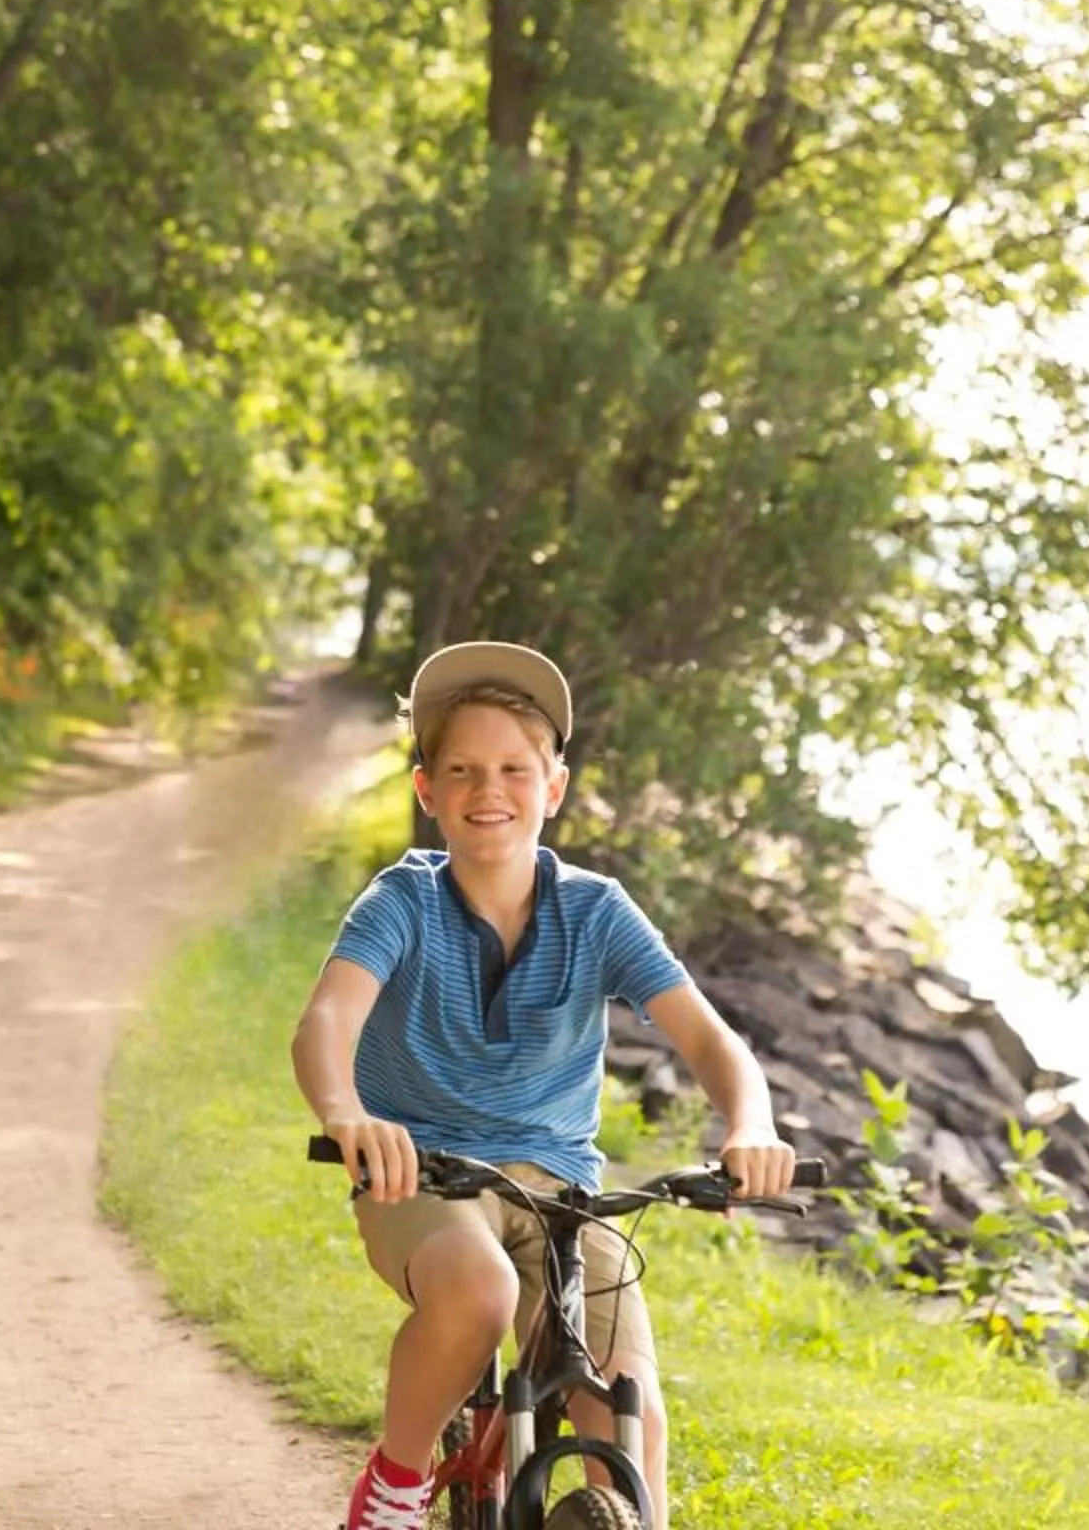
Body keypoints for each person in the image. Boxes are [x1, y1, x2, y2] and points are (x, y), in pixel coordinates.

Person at [291, 641, 797, 1530]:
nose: (488, 790)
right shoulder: (402, 902)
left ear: (553, 788)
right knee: (479, 1292)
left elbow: (709, 1039)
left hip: (565, 1190)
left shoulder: (596, 910)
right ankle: (396, 1486)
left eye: (513, 770)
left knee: (629, 1418)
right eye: (461, 770)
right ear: (427, 791)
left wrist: (750, 1124)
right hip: (425, 1175)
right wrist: (348, 1116)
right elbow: (326, 1021)